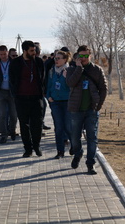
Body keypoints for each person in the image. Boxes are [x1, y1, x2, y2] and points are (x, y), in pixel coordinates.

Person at [66, 45, 108, 175]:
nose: (83, 58)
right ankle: (78, 153)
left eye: (86, 56)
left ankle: (90, 164)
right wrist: (79, 68)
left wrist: (98, 105)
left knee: (92, 138)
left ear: (90, 56)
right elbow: (70, 83)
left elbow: (103, 89)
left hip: (92, 110)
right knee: (74, 137)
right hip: (76, 109)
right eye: (81, 56)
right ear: (77, 56)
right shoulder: (72, 69)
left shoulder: (97, 70)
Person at [9, 40, 45, 157]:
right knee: (24, 125)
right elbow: (12, 80)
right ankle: (28, 149)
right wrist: (15, 94)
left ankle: (37, 146)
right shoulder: (15, 63)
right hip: (21, 98)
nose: (34, 53)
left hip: (36, 98)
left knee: (37, 124)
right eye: (31, 51)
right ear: (24, 51)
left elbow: (43, 78)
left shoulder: (38, 62)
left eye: (34, 50)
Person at [46, 50, 71, 159]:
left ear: (65, 59)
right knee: (58, 127)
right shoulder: (52, 71)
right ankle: (60, 151)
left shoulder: (69, 71)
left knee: (68, 127)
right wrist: (48, 96)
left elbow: (72, 87)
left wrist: (67, 78)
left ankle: (74, 146)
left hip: (67, 102)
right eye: (55, 58)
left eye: (58, 58)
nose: (56, 60)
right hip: (55, 102)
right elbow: (49, 85)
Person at [0, 45, 17, 144]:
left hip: (11, 91)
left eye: (4, 54)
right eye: (0, 54)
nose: (2, 56)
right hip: (1, 91)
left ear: (7, 53)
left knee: (13, 114)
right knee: (2, 115)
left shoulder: (13, 63)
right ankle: (4, 134)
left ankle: (12, 130)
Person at [34, 42, 51, 131]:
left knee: (43, 106)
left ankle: (41, 123)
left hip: (40, 90)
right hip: (33, 91)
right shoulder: (35, 62)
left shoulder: (40, 61)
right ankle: (37, 126)